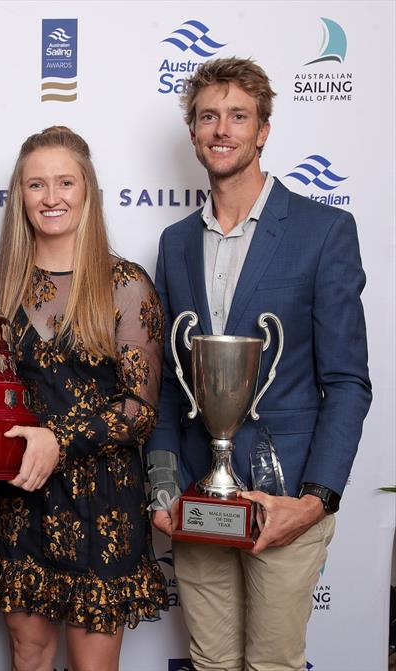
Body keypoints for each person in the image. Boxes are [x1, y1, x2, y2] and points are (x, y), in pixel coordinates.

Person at [146, 57, 372, 670]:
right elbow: (169, 380)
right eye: (208, 116)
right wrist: (163, 485)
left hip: (286, 498)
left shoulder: (324, 231)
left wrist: (315, 499)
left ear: (263, 130)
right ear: (193, 132)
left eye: (238, 116)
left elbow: (348, 381)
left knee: (272, 665)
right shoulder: (175, 243)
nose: (222, 129)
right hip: (199, 495)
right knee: (211, 662)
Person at [0, 126, 168, 671]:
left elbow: (139, 410)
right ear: (21, 197)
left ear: (88, 191)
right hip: (21, 496)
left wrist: (57, 438)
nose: (51, 197)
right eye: (36, 185)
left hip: (101, 501)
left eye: (64, 182)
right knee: (28, 655)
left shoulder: (125, 283)